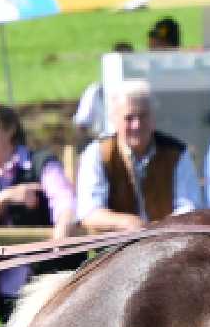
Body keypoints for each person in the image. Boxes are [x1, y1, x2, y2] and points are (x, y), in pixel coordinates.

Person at [0, 101, 72, 316]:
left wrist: (62, 231)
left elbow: (64, 200)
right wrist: (2, 200)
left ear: (9, 129)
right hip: (4, 289)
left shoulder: (41, 163)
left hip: (52, 281)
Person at [76, 81, 198, 231]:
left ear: (153, 118)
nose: (137, 125)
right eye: (129, 118)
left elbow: (189, 207)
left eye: (143, 116)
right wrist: (126, 223)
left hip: (168, 239)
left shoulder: (177, 152)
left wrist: (159, 229)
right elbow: (89, 212)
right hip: (115, 243)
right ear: (114, 119)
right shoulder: (97, 153)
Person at [72, 16, 182, 139]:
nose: (153, 48)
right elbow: (81, 125)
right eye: (153, 45)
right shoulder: (97, 90)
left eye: (160, 45)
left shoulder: (173, 80)